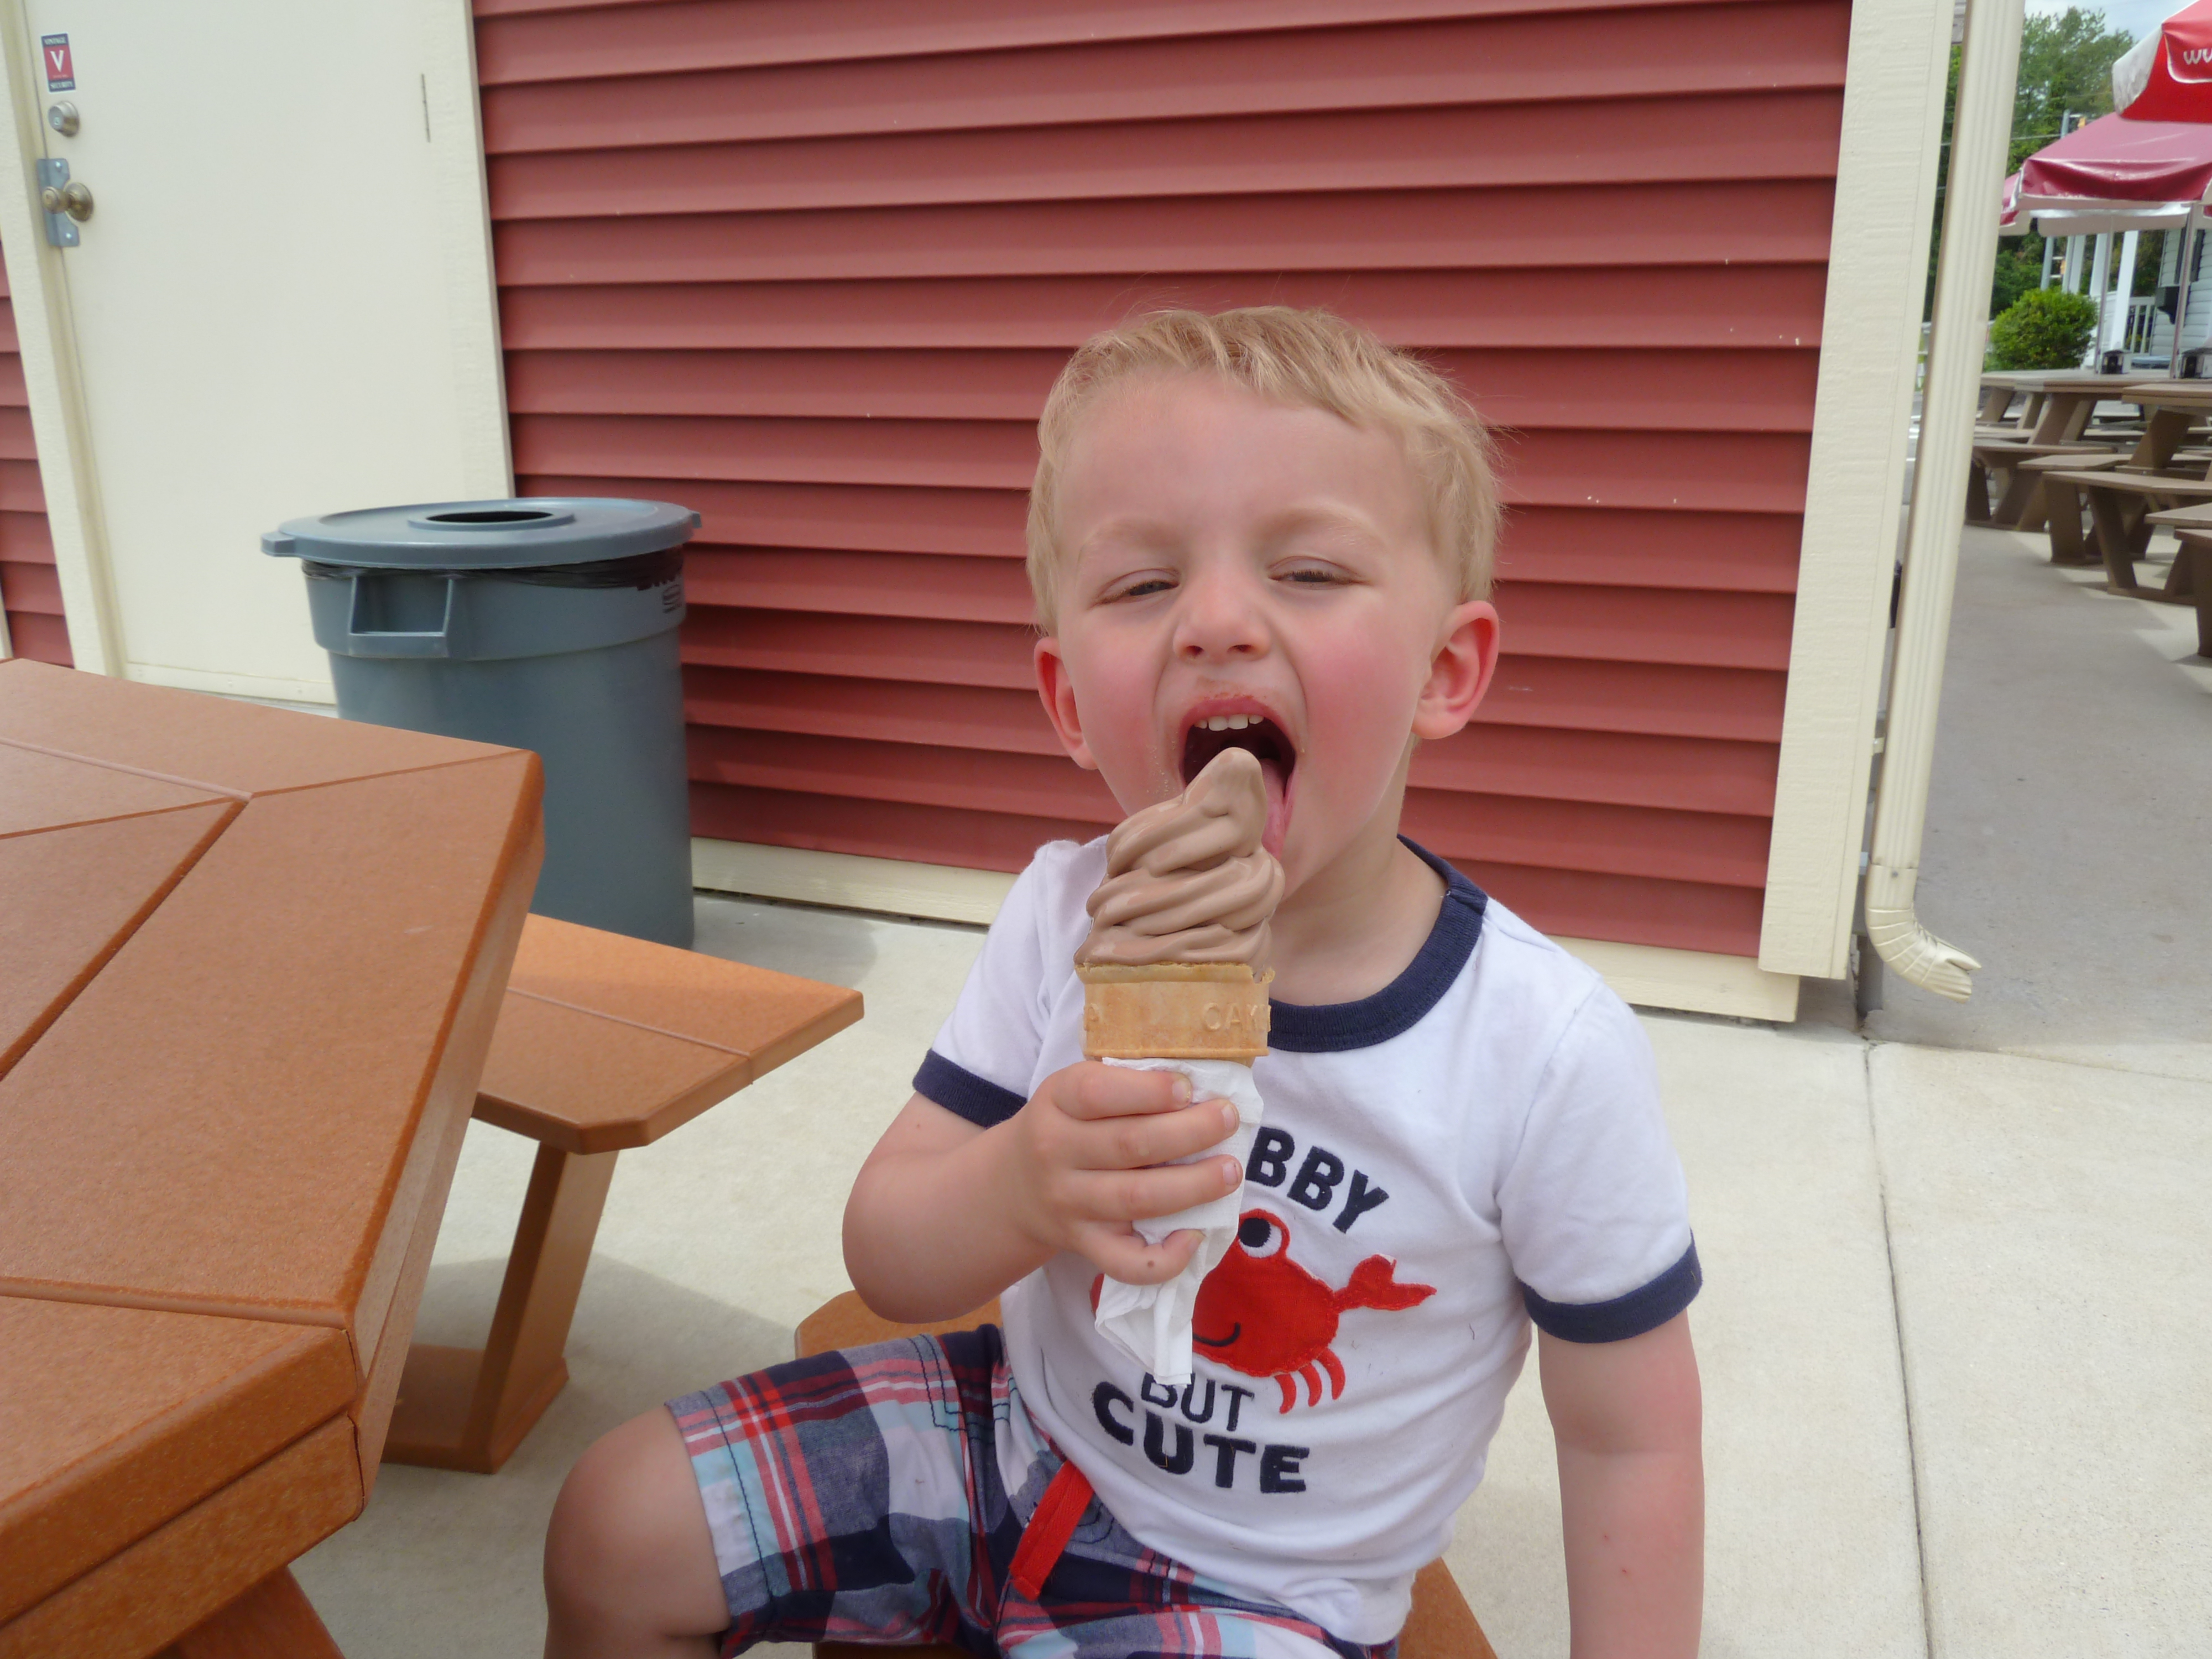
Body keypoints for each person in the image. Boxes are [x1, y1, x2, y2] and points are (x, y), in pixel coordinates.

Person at [543, 307, 1703, 1659]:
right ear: (1066, 701)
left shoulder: (1539, 1050)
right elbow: (887, 1253)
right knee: (615, 1522)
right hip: (1007, 1442)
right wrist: (1017, 1184)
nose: (1215, 621)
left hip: (1266, 1591)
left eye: (1308, 570)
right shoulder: (1063, 919)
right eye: (1143, 584)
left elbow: (1629, 1438)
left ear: (1444, 672)